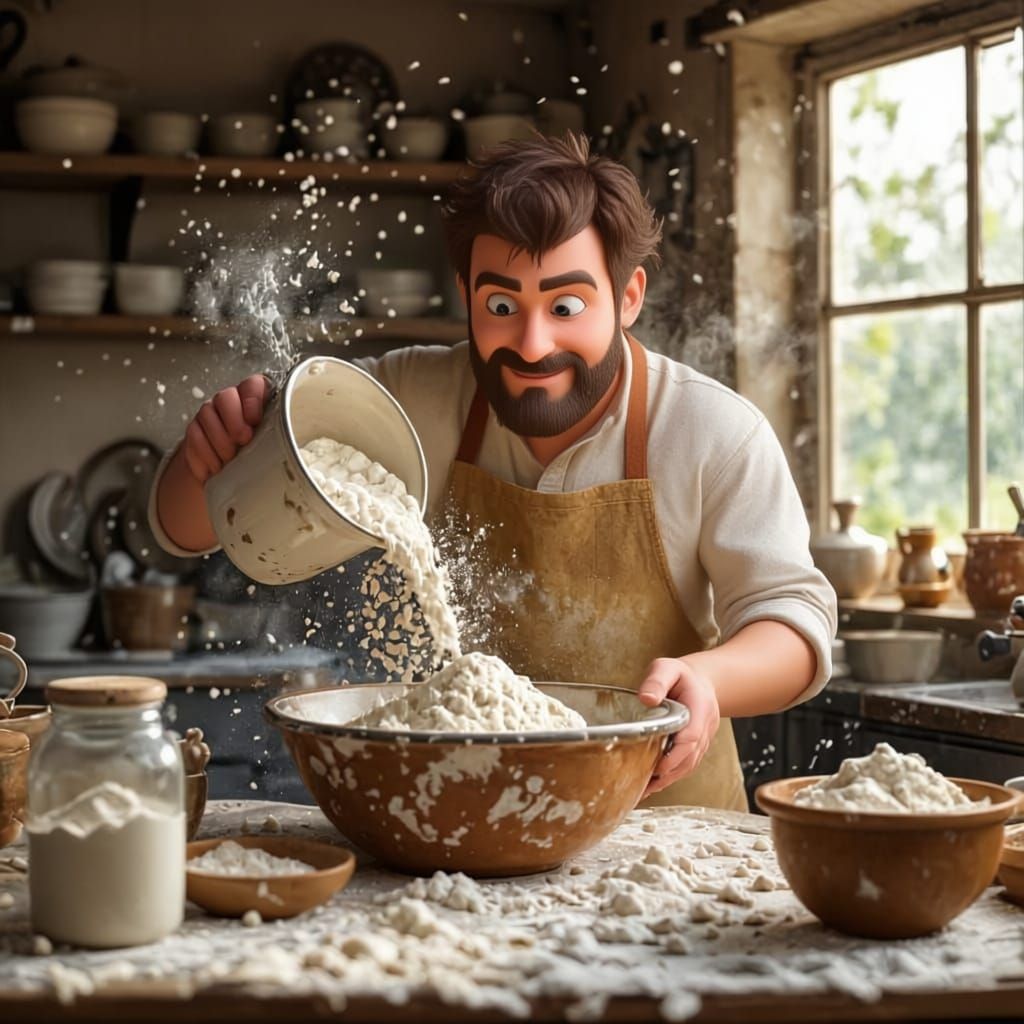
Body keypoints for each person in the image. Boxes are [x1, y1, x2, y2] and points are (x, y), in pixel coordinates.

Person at [150, 133, 837, 810]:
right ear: (467, 294)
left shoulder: (711, 430)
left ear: (628, 297)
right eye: (502, 307)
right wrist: (211, 456)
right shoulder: (409, 398)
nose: (532, 345)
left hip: (666, 832)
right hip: (469, 819)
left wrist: (708, 679)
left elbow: (795, 627)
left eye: (565, 308)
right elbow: (193, 529)